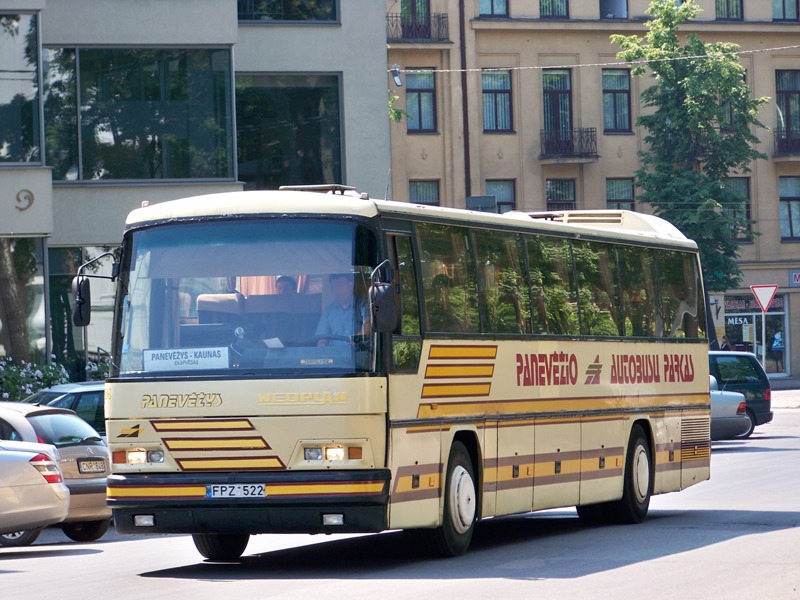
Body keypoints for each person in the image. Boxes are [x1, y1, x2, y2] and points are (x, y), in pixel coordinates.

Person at [315, 273, 368, 346]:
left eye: (339, 286)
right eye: (334, 287)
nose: (336, 291)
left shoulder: (363, 306)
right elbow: (321, 338)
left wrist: (358, 337)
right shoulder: (328, 311)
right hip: (334, 356)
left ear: (350, 285)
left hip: (358, 355)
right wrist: (322, 345)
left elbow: (369, 328)